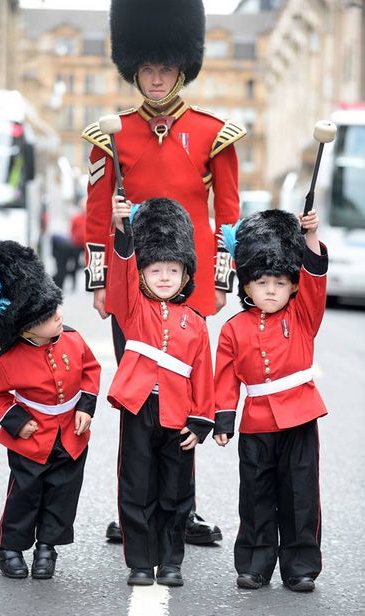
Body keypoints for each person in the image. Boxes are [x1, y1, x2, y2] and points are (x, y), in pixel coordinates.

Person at [82, 0, 246, 545]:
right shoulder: (111, 134)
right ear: (134, 70)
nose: (155, 79)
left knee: (186, 397)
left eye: (165, 68)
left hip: (189, 285)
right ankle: (134, 510)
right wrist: (101, 281)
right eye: (146, 69)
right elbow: (97, 215)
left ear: (183, 68)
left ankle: (181, 510)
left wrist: (222, 280)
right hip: (131, 287)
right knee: (135, 398)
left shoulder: (212, 132)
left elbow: (228, 214)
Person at [0, 240, 101, 579]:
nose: (57, 315)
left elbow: (90, 370)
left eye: (54, 308)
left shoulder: (73, 338)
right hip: (32, 439)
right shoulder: (6, 361)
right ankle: (8, 547)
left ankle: (46, 548)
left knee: (61, 496)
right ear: (23, 326)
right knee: (24, 497)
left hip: (71, 435)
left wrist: (86, 406)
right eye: (45, 316)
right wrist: (17, 421)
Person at [214, 208, 328, 593]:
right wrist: (224, 420)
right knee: (256, 496)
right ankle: (255, 564)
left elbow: (315, 277)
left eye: (280, 282)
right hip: (257, 422)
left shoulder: (303, 315)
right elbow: (226, 377)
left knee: (300, 494)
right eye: (261, 282)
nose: (271, 290)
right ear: (246, 286)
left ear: (293, 286)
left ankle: (300, 567)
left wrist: (310, 237)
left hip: (300, 416)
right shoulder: (233, 329)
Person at [108, 195, 215, 586]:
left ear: (187, 275)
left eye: (173, 269)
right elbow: (119, 273)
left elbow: (203, 373)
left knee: (175, 494)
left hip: (179, 415)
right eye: (155, 269)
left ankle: (171, 561)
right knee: (135, 488)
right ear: (142, 274)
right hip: (139, 410)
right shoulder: (132, 307)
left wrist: (201, 422)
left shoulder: (197, 322)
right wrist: (122, 230)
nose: (165, 277)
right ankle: (139, 562)